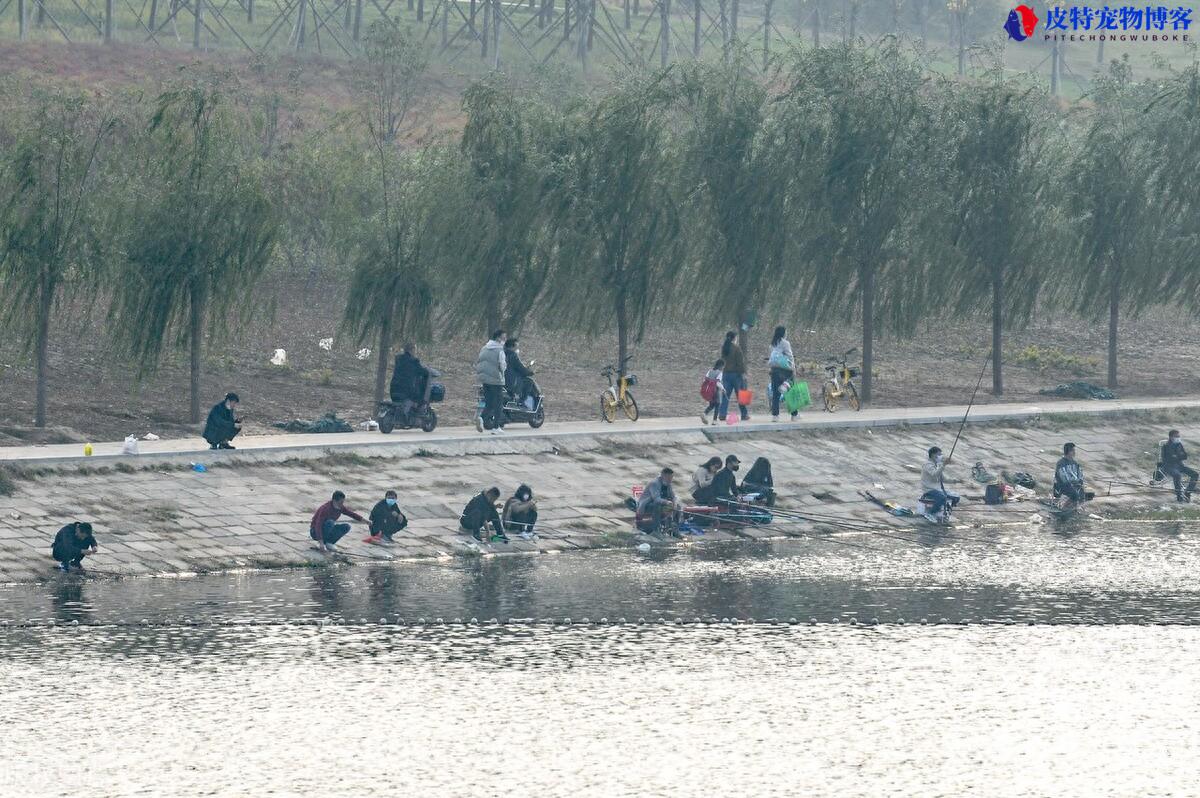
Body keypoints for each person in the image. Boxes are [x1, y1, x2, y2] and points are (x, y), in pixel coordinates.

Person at [475, 330, 508, 434]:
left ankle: (481, 418)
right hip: (496, 380)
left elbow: (479, 362)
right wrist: (503, 372)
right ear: (498, 338)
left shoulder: (484, 348)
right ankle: (496, 427)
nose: (505, 340)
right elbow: (502, 366)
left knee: (489, 403)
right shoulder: (500, 350)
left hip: (485, 380)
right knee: (498, 404)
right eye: (504, 337)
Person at [919, 446, 959, 521]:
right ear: (933, 455)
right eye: (938, 454)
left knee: (956, 497)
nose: (940, 456)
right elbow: (934, 474)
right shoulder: (927, 465)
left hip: (937, 489)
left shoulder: (937, 465)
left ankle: (946, 510)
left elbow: (943, 478)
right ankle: (930, 513)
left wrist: (956, 481)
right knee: (942, 497)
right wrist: (943, 465)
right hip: (929, 489)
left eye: (941, 454)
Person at [637, 468, 681, 535]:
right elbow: (656, 499)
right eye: (669, 477)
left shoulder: (668, 484)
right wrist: (667, 502)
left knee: (678, 507)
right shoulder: (654, 483)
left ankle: (675, 530)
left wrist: (674, 502)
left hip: (662, 504)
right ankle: (656, 530)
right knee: (657, 505)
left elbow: (673, 496)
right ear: (663, 475)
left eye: (671, 477)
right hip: (647, 505)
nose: (670, 479)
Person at [389, 342, 431, 411]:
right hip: (406, 392)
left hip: (393, 391)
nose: (415, 352)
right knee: (420, 398)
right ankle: (418, 411)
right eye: (415, 349)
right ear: (411, 350)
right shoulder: (413, 361)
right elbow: (423, 372)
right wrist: (427, 370)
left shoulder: (399, 359)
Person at [767, 326, 797, 422]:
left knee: (776, 394)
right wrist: (794, 369)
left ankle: (775, 416)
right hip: (786, 372)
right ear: (783, 333)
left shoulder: (772, 344)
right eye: (786, 332)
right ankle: (794, 415)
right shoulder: (785, 343)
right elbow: (790, 356)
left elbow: (771, 358)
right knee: (790, 393)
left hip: (775, 372)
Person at [718, 331, 750, 422]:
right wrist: (743, 374)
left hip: (726, 374)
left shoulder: (724, 348)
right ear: (734, 338)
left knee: (725, 395)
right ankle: (744, 414)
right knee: (741, 395)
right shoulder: (737, 348)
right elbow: (740, 363)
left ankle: (722, 414)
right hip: (736, 375)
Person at [1161, 429, 1197, 503]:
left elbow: (1185, 456)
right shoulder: (1166, 446)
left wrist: (1177, 456)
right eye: (1176, 436)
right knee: (1177, 475)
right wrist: (1179, 456)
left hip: (1180, 466)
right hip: (1169, 467)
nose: (1178, 437)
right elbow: (1168, 459)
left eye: (1179, 436)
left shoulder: (1179, 444)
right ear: (1171, 437)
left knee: (1195, 474)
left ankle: (1188, 492)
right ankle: (1179, 495)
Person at [504, 338, 535, 407]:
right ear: (512, 347)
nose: (517, 349)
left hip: (501, 380)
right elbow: (521, 368)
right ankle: (521, 401)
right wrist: (530, 372)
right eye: (516, 347)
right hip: (511, 381)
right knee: (529, 382)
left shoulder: (502, 354)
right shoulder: (513, 355)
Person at [699, 359, 725, 425]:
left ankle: (704, 413)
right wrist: (723, 389)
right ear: (721, 366)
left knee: (712, 404)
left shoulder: (710, 371)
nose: (723, 368)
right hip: (716, 391)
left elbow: (705, 380)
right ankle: (714, 421)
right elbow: (718, 383)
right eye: (723, 366)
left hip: (709, 391)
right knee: (718, 405)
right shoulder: (720, 373)